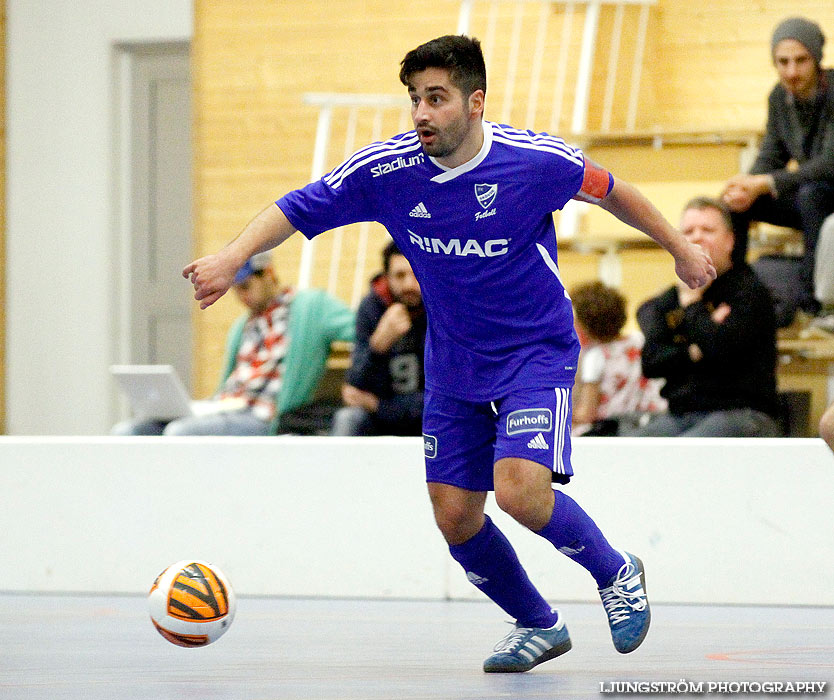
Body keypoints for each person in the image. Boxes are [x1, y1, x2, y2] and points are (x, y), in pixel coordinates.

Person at [183, 35, 715, 672]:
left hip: (533, 354)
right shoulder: (386, 171)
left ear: (475, 102)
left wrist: (679, 248)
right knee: (455, 516)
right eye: (414, 100)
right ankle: (537, 623)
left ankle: (616, 571)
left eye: (436, 98)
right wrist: (231, 257)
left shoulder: (534, 162)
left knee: (519, 493)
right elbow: (298, 207)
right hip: (455, 364)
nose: (421, 114)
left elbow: (614, 192)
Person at [113, 252, 354, 436]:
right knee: (129, 432)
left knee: (180, 432)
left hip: (263, 416)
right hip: (225, 407)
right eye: (236, 290)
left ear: (268, 274)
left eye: (246, 286)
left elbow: (359, 329)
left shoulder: (311, 307)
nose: (242, 296)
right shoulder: (242, 326)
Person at [626, 197, 782, 438]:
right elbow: (652, 362)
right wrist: (696, 350)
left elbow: (721, 349)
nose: (697, 237)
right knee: (631, 451)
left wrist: (691, 303)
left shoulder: (749, 291)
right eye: (688, 231)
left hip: (742, 413)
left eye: (707, 230)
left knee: (683, 453)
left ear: (730, 241)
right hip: (680, 413)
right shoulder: (668, 299)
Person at [721, 16, 834, 316]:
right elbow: (772, 154)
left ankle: (814, 303)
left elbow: (830, 164)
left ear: (817, 60)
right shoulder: (778, 97)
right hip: (812, 198)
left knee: (812, 194)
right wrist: (746, 185)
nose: (791, 71)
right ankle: (738, 295)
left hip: (823, 196)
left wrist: (766, 183)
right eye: (783, 62)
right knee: (736, 204)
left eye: (801, 61)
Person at [330, 240, 426, 436]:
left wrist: (378, 406)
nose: (409, 284)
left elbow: (443, 397)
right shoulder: (371, 308)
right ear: (386, 277)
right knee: (347, 418)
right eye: (400, 275)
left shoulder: (442, 309)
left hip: (427, 418)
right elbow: (353, 388)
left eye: (416, 273)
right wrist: (377, 346)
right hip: (379, 420)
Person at [570, 281, 666, 437]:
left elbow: (587, 413)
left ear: (585, 324)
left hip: (612, 427)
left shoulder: (595, 356)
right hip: (650, 420)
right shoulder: (639, 340)